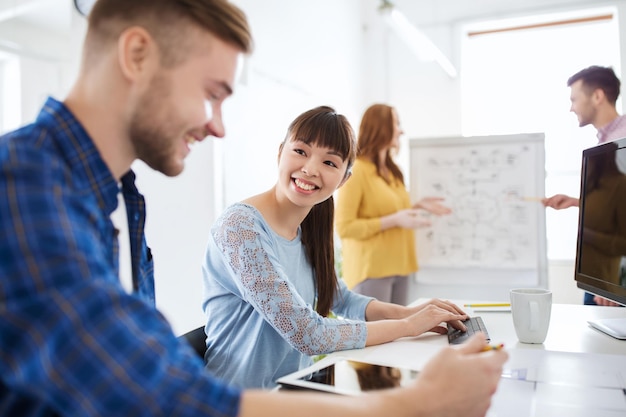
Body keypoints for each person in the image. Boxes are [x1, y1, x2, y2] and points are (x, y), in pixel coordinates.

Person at [0, 0, 508, 416]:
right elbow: (162, 396)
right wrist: (415, 404)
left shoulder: (117, 198)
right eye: (212, 94)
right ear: (136, 54)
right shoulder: (25, 186)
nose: (218, 126)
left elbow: (130, 371)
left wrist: (413, 318)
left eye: (330, 162)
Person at [202, 105, 469, 389]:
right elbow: (307, 333)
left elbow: (340, 298)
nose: (310, 169)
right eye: (301, 151)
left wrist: (412, 312)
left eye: (329, 162)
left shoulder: (308, 229)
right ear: (280, 152)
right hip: (233, 403)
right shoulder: (240, 227)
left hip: (289, 394)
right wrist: (408, 327)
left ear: (344, 178)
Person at [335, 103, 451, 305]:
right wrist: (395, 219)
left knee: (399, 335)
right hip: (372, 270)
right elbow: (344, 227)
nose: (401, 130)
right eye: (396, 123)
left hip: (401, 266)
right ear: (380, 127)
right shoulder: (357, 171)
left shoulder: (393, 172)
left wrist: (417, 207)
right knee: (378, 335)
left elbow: (392, 212)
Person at [542, 66, 626, 306]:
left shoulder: (620, 142)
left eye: (574, 99)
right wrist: (579, 202)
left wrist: (617, 284)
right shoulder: (605, 141)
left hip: (613, 273)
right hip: (599, 268)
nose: (571, 107)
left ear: (597, 97)